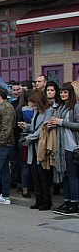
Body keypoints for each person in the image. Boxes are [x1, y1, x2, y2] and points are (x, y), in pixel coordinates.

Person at [48, 82, 79, 214]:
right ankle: (67, 200)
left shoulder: (75, 106)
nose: (63, 94)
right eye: (61, 92)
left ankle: (74, 203)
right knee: (65, 174)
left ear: (70, 93)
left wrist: (61, 122)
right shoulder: (61, 107)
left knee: (72, 175)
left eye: (65, 92)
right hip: (62, 146)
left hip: (73, 146)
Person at [19, 89, 50, 210]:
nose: (30, 104)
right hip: (33, 147)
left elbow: (41, 130)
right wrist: (25, 126)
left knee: (43, 176)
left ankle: (46, 200)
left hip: (41, 146)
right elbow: (33, 126)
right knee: (35, 175)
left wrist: (27, 137)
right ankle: (39, 199)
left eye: (32, 102)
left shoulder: (48, 111)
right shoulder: (36, 112)